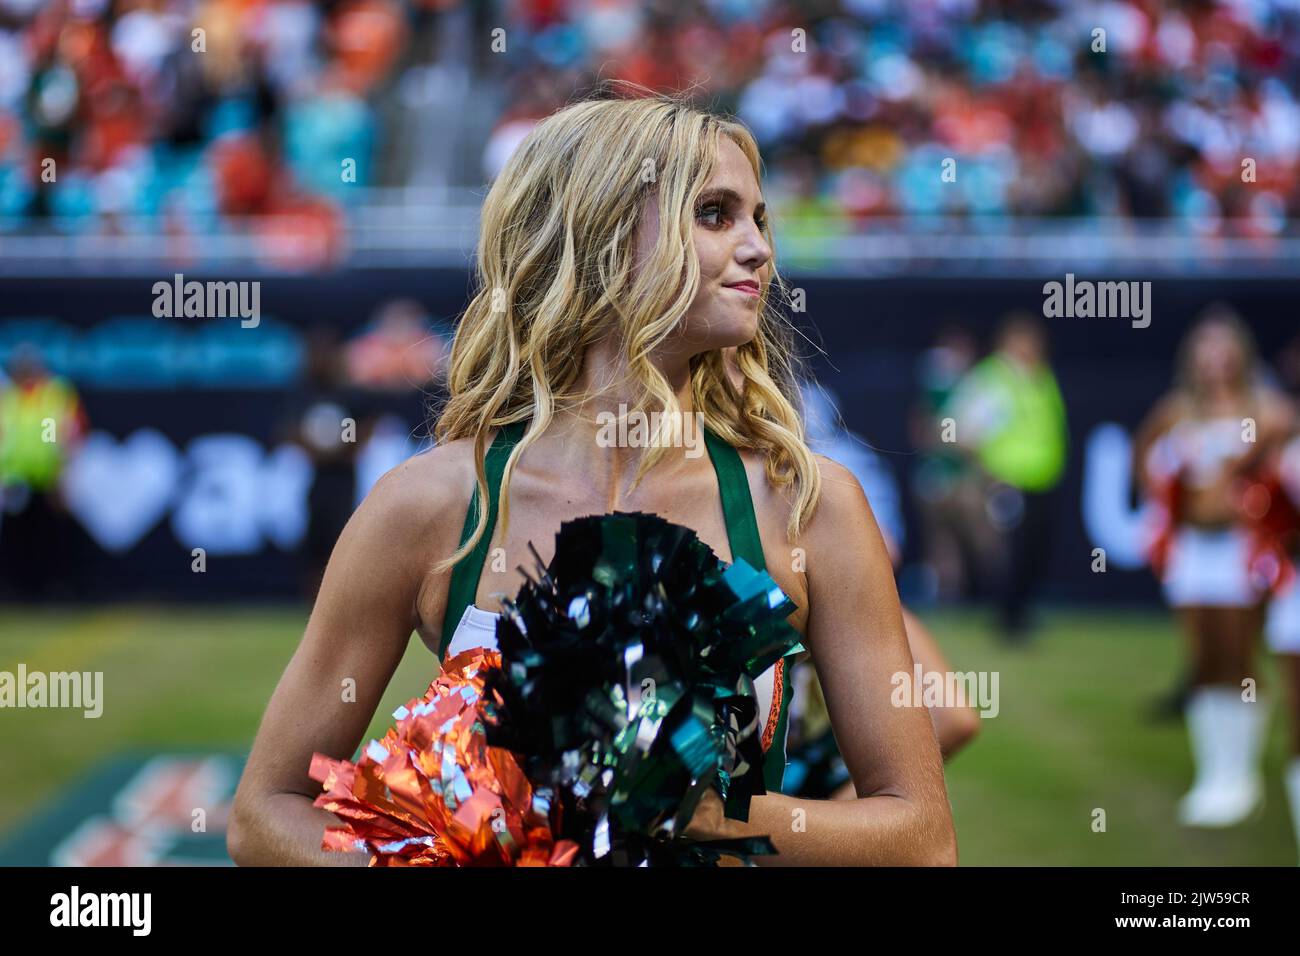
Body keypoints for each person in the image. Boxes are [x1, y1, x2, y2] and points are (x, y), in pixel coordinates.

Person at [229, 89, 956, 866]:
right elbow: (264, 814)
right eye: (715, 214)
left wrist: (707, 816)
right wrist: (434, 856)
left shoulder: (808, 503)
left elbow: (921, 838)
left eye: (757, 218)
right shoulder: (438, 504)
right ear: (602, 234)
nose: (758, 247)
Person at [1133, 308, 1295, 828]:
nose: (1215, 358)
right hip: (1190, 550)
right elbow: (1145, 460)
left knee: (1237, 655)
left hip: (1241, 548)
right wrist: (1164, 505)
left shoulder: (1265, 409)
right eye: (1205, 347)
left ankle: (1241, 774)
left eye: (1224, 347)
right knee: (1202, 658)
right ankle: (1215, 773)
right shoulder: (1176, 410)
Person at [944, 314, 1068, 641]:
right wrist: (988, 472)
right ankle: (1007, 620)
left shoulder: (1040, 377)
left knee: (1034, 552)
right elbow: (960, 430)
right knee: (1009, 554)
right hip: (1008, 482)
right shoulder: (995, 380)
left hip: (1043, 481)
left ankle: (1021, 614)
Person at [0, 343, 87, 601]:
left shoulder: (54, 394)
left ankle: (54, 590)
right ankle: (15, 590)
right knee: (16, 540)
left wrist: (61, 474)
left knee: (51, 539)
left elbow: (63, 436)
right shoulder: (8, 398)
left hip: (48, 479)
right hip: (15, 481)